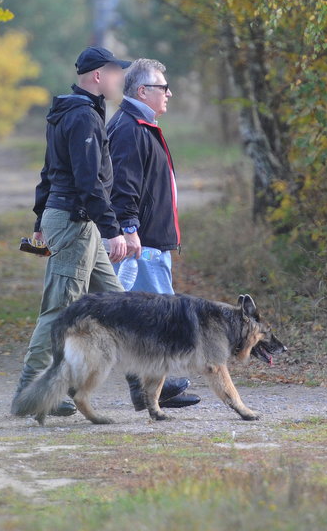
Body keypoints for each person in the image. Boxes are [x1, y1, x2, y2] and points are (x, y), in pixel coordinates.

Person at [13, 47, 189, 417]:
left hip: (77, 222)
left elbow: (49, 172)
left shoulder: (79, 112)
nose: (119, 80)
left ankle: (146, 388)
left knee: (120, 306)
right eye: (113, 72)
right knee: (58, 310)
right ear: (97, 75)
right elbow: (89, 182)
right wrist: (114, 231)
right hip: (75, 223)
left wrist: (40, 220)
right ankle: (30, 391)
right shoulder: (80, 116)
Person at [107, 58, 200, 411]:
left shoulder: (140, 124)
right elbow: (124, 187)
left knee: (146, 315)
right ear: (142, 91)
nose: (169, 93)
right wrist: (130, 230)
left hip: (148, 239)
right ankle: (155, 387)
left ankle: (151, 389)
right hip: (142, 242)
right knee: (161, 314)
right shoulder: (131, 128)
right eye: (164, 87)